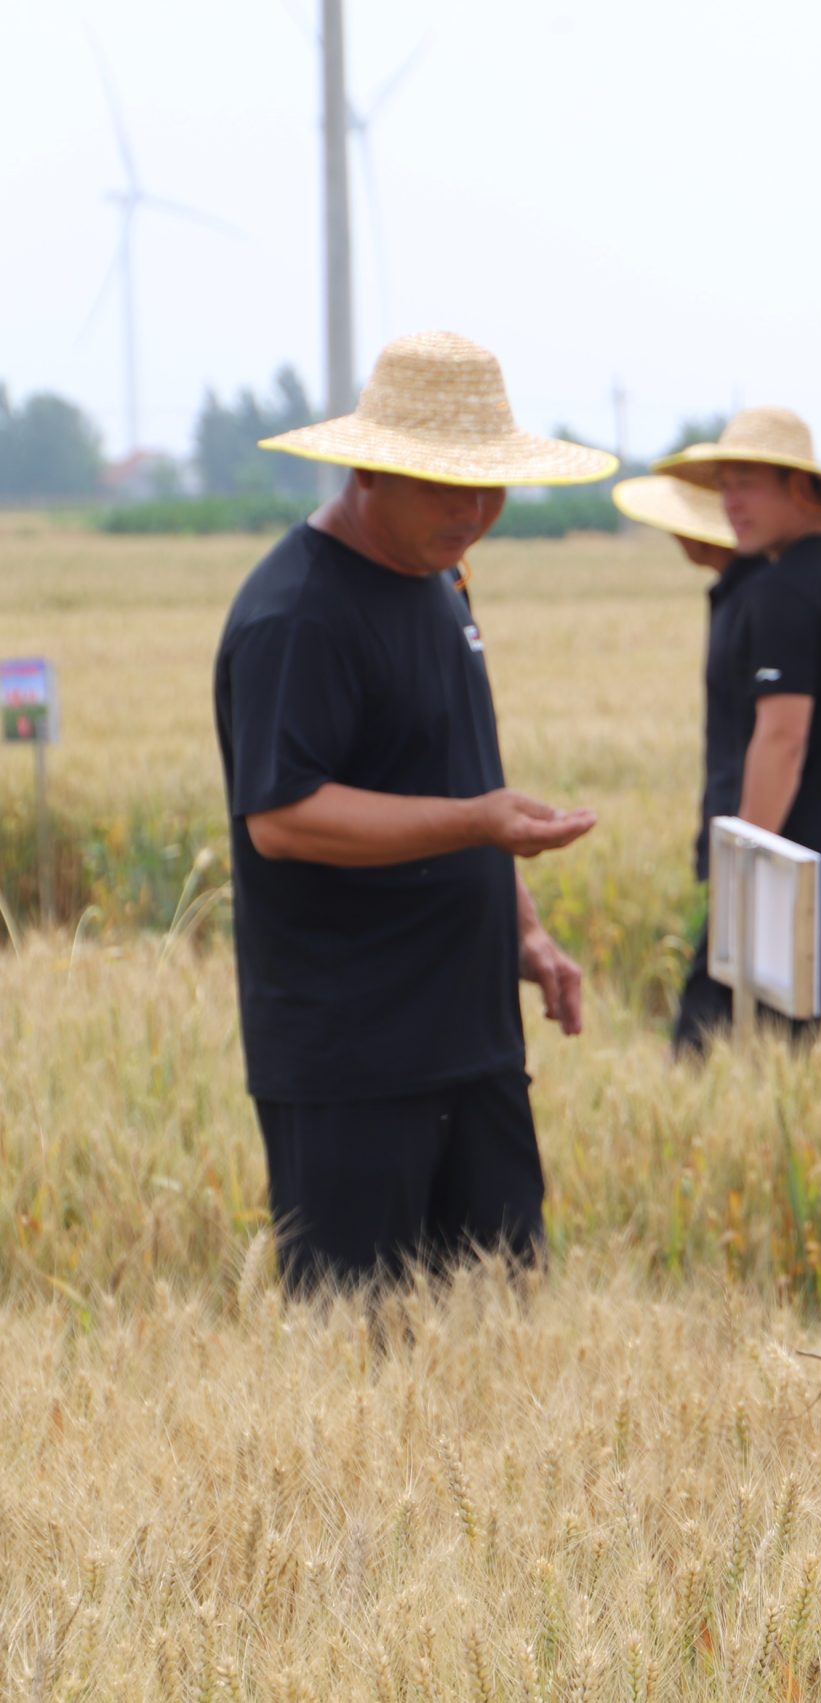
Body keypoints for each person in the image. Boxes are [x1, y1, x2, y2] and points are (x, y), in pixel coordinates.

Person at [217, 330, 613, 1296]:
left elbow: (455, 767)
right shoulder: (297, 615)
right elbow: (285, 817)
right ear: (368, 470)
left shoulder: (441, 574)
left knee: (501, 1327)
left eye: (490, 489)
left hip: (469, 1033)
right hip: (352, 1054)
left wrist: (524, 928)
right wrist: (479, 824)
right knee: (361, 1360)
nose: (474, 513)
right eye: (447, 488)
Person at [652, 411, 821, 1053]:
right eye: (724, 485)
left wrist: (742, 872)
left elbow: (781, 738)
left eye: (745, 484)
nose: (729, 504)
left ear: (799, 487)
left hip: (799, 876)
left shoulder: (783, 591)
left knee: (719, 1050)